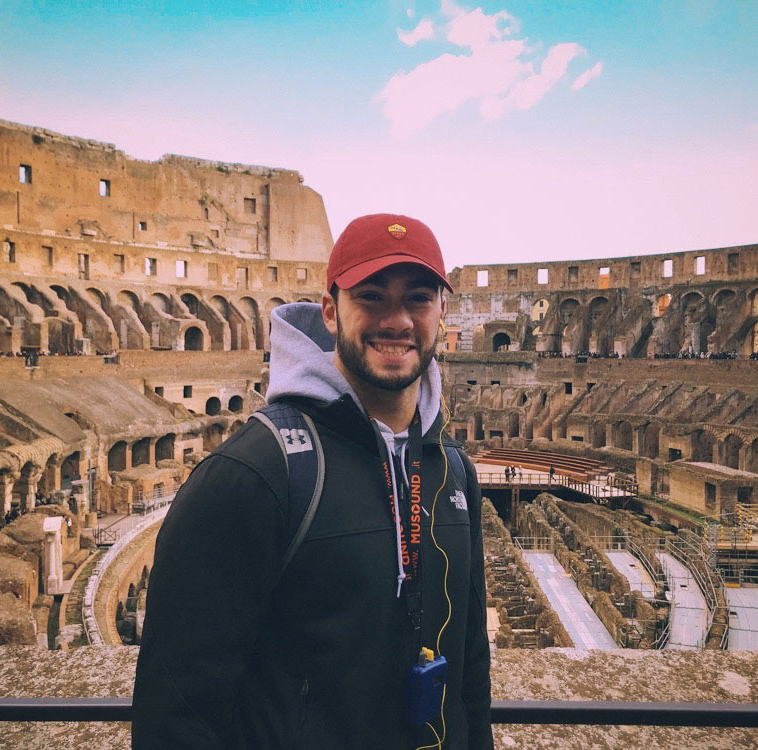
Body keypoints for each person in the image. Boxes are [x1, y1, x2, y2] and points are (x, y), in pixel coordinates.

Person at [133, 214, 493, 749]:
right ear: (330, 311)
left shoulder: (452, 470)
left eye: (418, 298)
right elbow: (178, 715)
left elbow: (469, 677)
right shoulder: (250, 475)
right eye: (371, 297)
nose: (397, 320)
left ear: (442, 313)